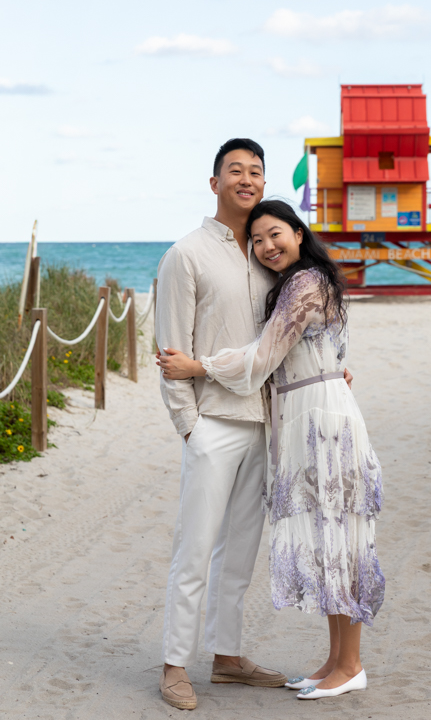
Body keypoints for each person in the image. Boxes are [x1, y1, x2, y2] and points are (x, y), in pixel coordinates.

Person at [159, 199, 385, 702]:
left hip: (319, 416)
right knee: (330, 538)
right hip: (302, 412)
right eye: (258, 239)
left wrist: (198, 368)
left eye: (276, 234)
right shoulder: (286, 279)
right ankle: (335, 662)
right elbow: (325, 350)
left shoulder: (303, 284)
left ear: (299, 233)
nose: (266, 246)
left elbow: (264, 354)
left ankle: (349, 665)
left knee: (339, 538)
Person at [154, 139, 289, 711]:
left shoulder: (267, 251)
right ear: (215, 183)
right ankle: (173, 665)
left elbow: (282, 339)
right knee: (196, 548)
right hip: (211, 422)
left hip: (262, 423)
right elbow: (169, 348)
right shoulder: (186, 254)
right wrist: (189, 425)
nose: (247, 179)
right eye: (235, 170)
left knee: (240, 550)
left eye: (256, 171)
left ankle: (228, 658)